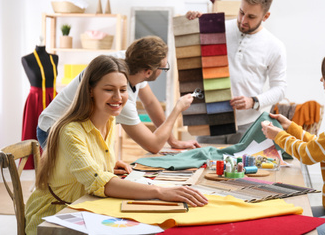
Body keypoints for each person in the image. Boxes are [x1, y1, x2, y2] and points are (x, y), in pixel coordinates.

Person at [25, 55, 208, 235]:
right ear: (90, 90)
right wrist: (160, 191)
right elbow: (99, 183)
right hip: (54, 218)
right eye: (109, 89)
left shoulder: (109, 121)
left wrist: (107, 165)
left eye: (122, 89)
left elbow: (87, 171)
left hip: (83, 207)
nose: (118, 97)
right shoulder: (70, 131)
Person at [37, 36, 200, 153]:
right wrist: (177, 109)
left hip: (78, 130)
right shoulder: (121, 98)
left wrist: (173, 141)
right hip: (54, 129)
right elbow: (154, 146)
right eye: (164, 68)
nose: (164, 70)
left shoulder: (131, 60)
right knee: (75, 187)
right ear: (148, 72)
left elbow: (150, 103)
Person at [261, 47, 325, 235]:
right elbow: (320, 146)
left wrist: (278, 136)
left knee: (297, 231)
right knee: (282, 221)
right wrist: (291, 127)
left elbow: (310, 154)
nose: (321, 80)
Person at [186, 0, 287, 144]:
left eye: (251, 17)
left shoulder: (275, 46)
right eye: (241, 12)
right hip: (211, 120)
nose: (243, 20)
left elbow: (280, 89)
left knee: (241, 168)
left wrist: (253, 101)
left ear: (265, 16)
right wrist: (194, 22)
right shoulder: (217, 29)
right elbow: (189, 52)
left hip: (247, 125)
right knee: (204, 166)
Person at [21, 45, 58, 169]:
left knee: (56, 134)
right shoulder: (27, 59)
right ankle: (38, 175)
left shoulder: (54, 58)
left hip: (53, 99)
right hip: (35, 101)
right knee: (35, 134)